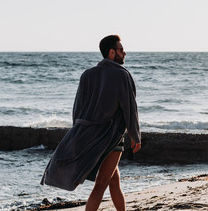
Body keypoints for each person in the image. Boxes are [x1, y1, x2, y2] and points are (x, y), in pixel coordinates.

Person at [41, 35, 141, 211]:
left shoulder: (87, 74)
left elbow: (78, 109)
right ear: (111, 52)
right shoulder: (122, 75)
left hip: (88, 136)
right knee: (101, 185)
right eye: (120, 49)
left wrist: (78, 135)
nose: (124, 53)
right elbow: (130, 109)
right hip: (110, 137)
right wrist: (135, 136)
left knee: (114, 182)